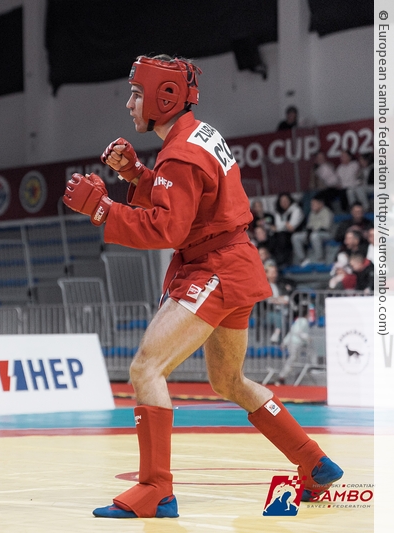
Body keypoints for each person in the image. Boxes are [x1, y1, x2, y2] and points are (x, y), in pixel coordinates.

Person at [62, 54, 342, 519]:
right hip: (232, 263)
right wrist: (136, 176)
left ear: (164, 97)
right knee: (228, 380)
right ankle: (314, 462)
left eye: (136, 94)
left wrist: (103, 210)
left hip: (214, 268)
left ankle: (156, 489)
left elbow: (169, 227)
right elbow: (190, 204)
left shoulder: (180, 152)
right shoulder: (199, 135)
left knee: (146, 368)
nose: (129, 103)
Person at [291, 196, 333, 265]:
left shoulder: (327, 211)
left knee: (314, 236)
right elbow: (309, 227)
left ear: (320, 204)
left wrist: (312, 231)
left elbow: (324, 228)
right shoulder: (312, 213)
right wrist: (309, 232)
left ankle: (320, 259)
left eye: (314, 204)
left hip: (326, 234)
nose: (312, 206)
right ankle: (303, 260)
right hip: (312, 233)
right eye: (311, 204)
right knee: (295, 237)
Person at [268, 192, 304, 267]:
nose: (284, 203)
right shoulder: (278, 212)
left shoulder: (296, 210)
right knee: (272, 237)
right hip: (282, 233)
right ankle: (276, 261)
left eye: (285, 200)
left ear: (290, 200)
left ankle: (286, 262)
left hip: (295, 233)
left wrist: (282, 225)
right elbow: (278, 227)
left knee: (282, 237)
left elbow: (291, 227)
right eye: (282, 201)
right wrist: (285, 224)